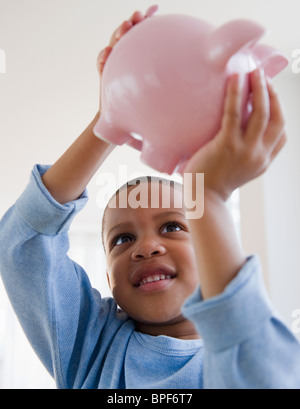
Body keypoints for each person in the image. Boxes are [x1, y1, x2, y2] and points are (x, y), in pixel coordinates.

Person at [1, 8, 300, 389]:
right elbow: (22, 245)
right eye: (122, 239)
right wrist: (108, 120)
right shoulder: (91, 347)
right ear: (108, 277)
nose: (146, 248)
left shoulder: (242, 351)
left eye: (173, 225)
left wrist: (208, 197)